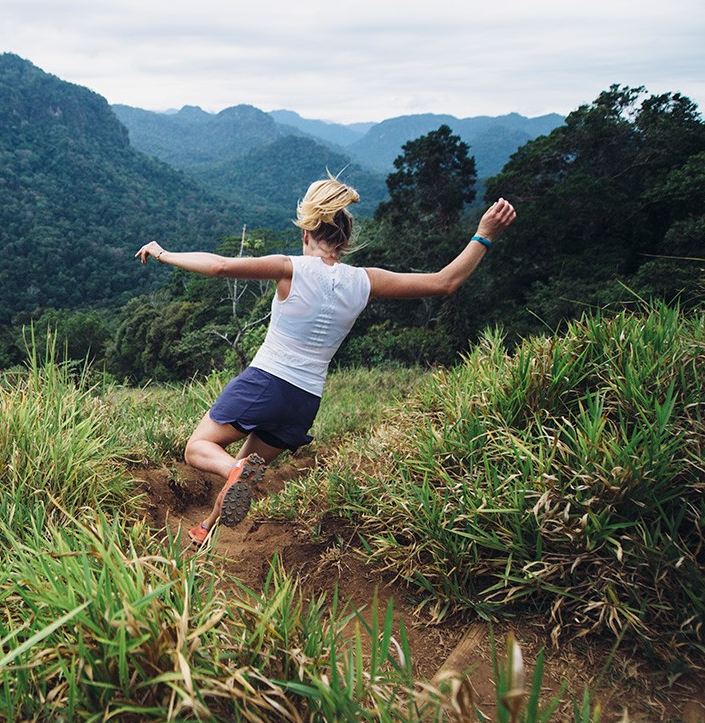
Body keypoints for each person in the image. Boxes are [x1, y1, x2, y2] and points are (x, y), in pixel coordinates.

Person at [135, 178, 516, 546]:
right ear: (346, 241)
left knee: (199, 448)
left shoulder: (290, 267)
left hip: (265, 382)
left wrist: (163, 253)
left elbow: (219, 266)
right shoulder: (365, 280)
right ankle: (207, 528)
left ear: (306, 234)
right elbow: (444, 282)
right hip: (304, 403)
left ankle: (231, 472)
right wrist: (484, 235)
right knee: (244, 473)